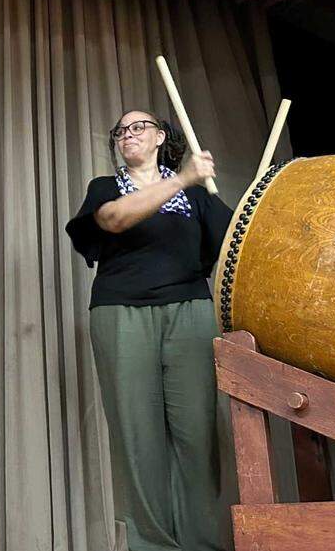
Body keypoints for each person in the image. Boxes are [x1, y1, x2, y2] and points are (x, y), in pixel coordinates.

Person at [65, 110, 234, 551]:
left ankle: (203, 543)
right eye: (120, 130)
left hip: (190, 312)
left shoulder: (199, 197)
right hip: (122, 312)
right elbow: (115, 219)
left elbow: (238, 241)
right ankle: (151, 545)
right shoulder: (106, 188)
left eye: (139, 127)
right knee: (136, 435)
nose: (127, 135)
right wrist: (182, 178)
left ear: (160, 136)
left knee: (198, 433)